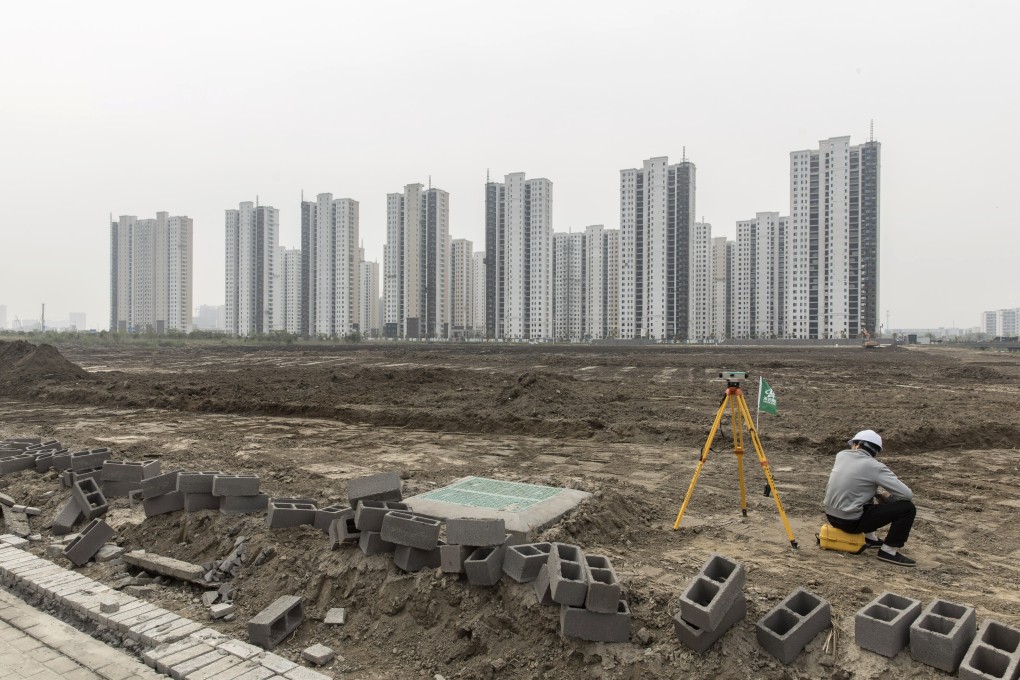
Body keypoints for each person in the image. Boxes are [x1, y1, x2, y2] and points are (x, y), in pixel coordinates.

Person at [823, 429, 917, 567]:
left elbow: (856, 483)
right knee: (908, 508)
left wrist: (876, 492)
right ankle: (889, 550)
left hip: (831, 517)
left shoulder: (841, 456)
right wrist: (887, 498)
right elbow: (907, 494)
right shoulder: (875, 467)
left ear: (857, 444)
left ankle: (869, 538)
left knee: (868, 490)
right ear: (875, 451)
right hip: (851, 523)